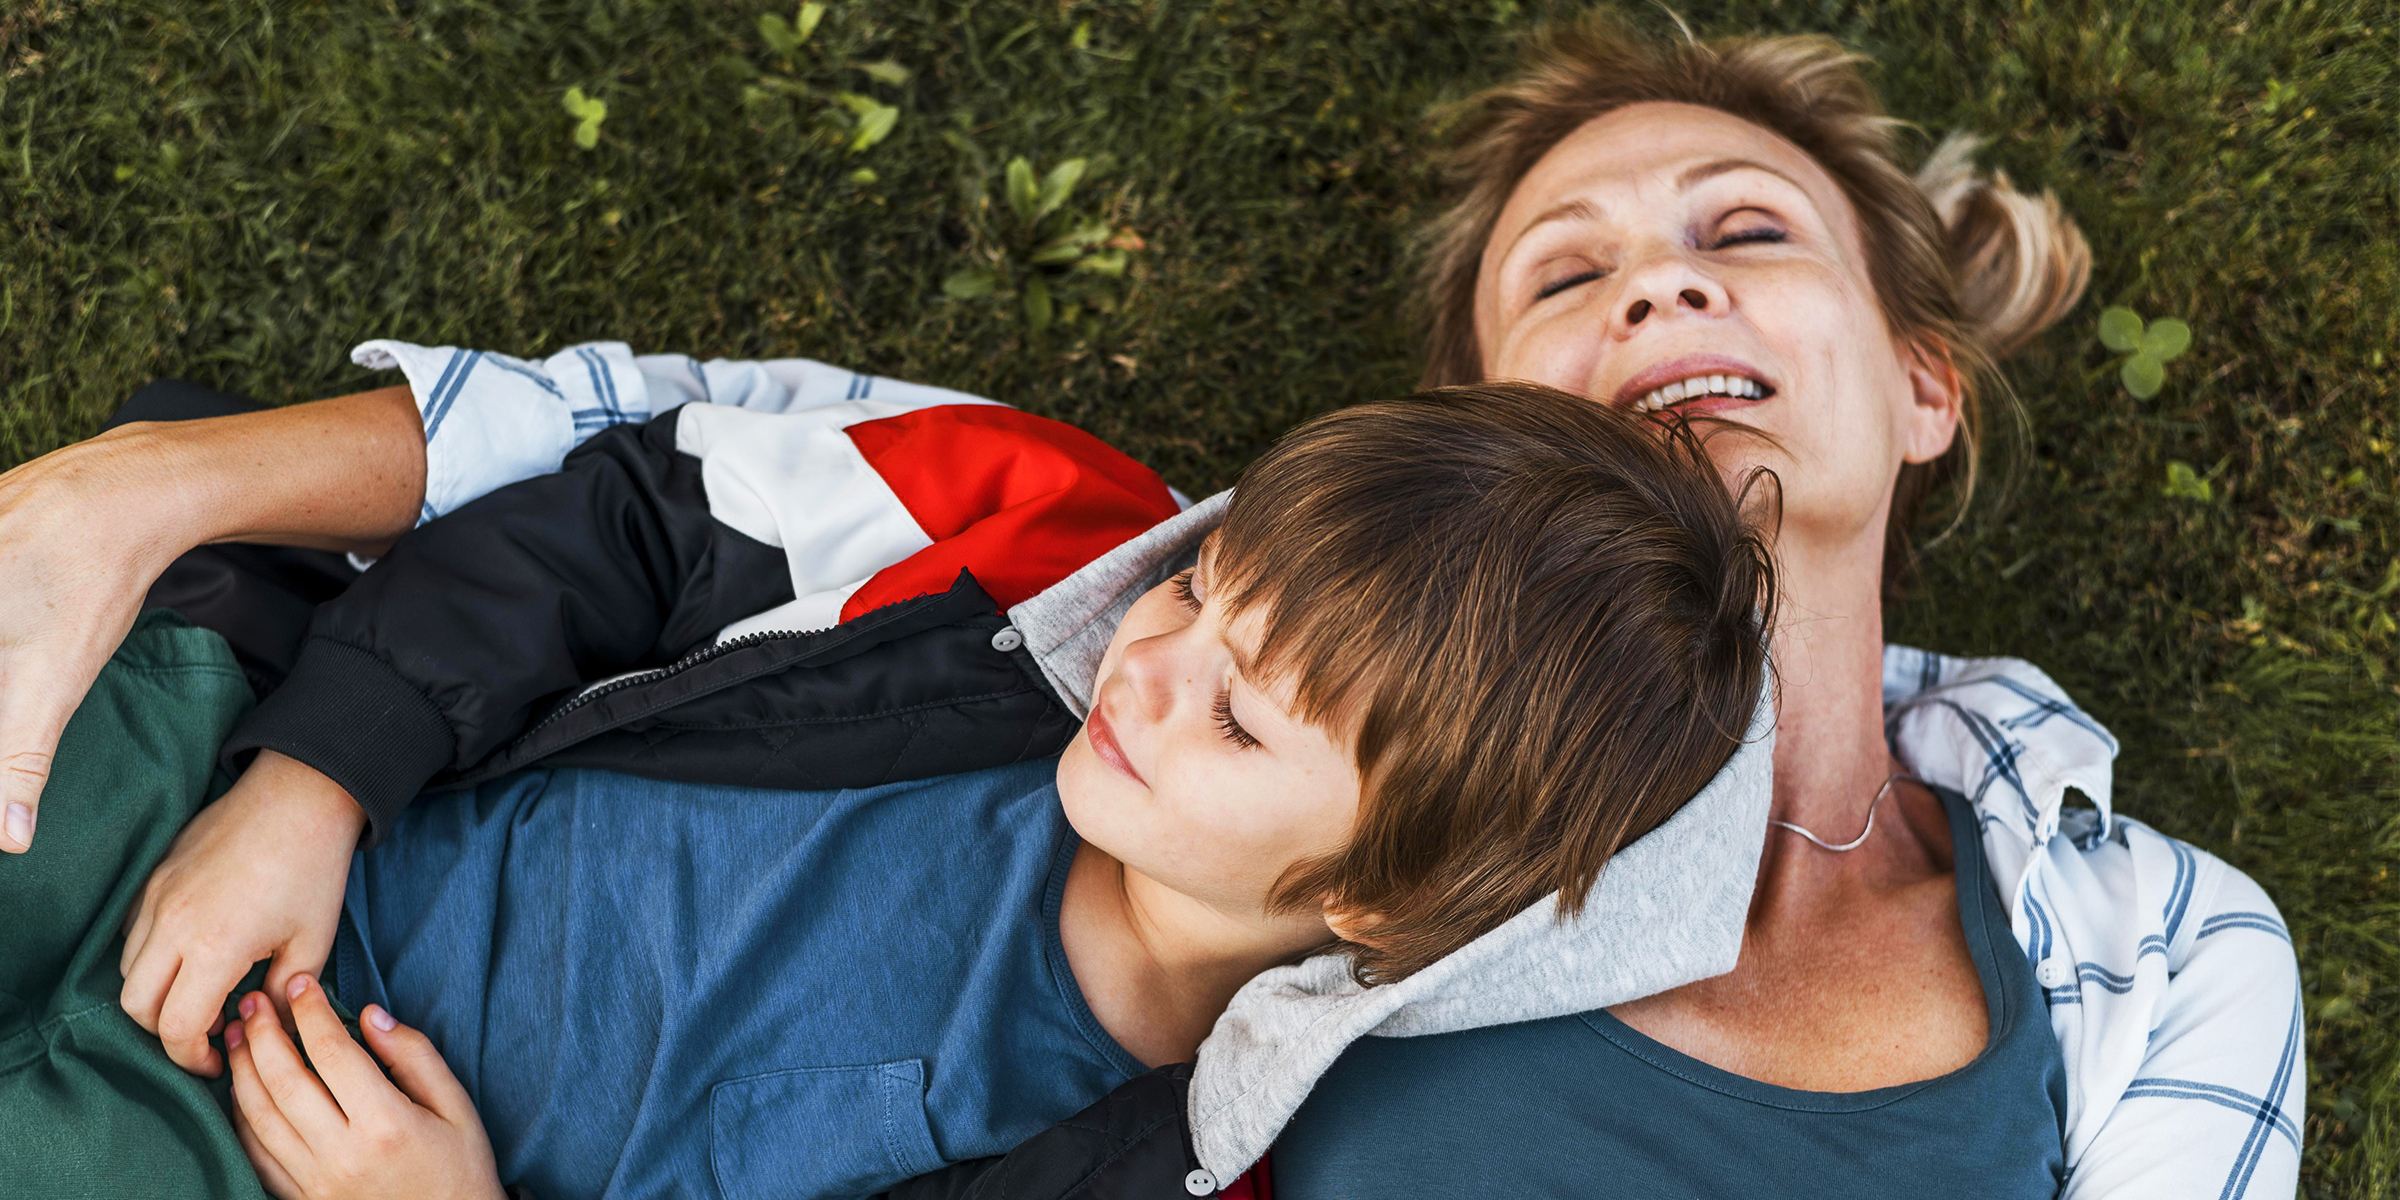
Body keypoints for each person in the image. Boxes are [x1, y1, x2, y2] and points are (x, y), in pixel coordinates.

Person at [0, 10, 2301, 1198]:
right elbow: (657, 453)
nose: (1663, 284)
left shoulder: (2146, 946)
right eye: (1571, 274)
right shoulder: (1122, 577)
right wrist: (172, 541)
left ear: (1915, 385)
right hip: (271, 827)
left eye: (1750, 235)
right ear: (1461, 422)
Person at [6, 383, 1779, 1198]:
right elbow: (633, 517)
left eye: (1242, 723)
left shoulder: (1130, 1171)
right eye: (1193, 593)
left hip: (253, 1155)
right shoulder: (998, 599)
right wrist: (314, 780)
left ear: (1377, 903)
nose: (1141, 670)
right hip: (224, 774)